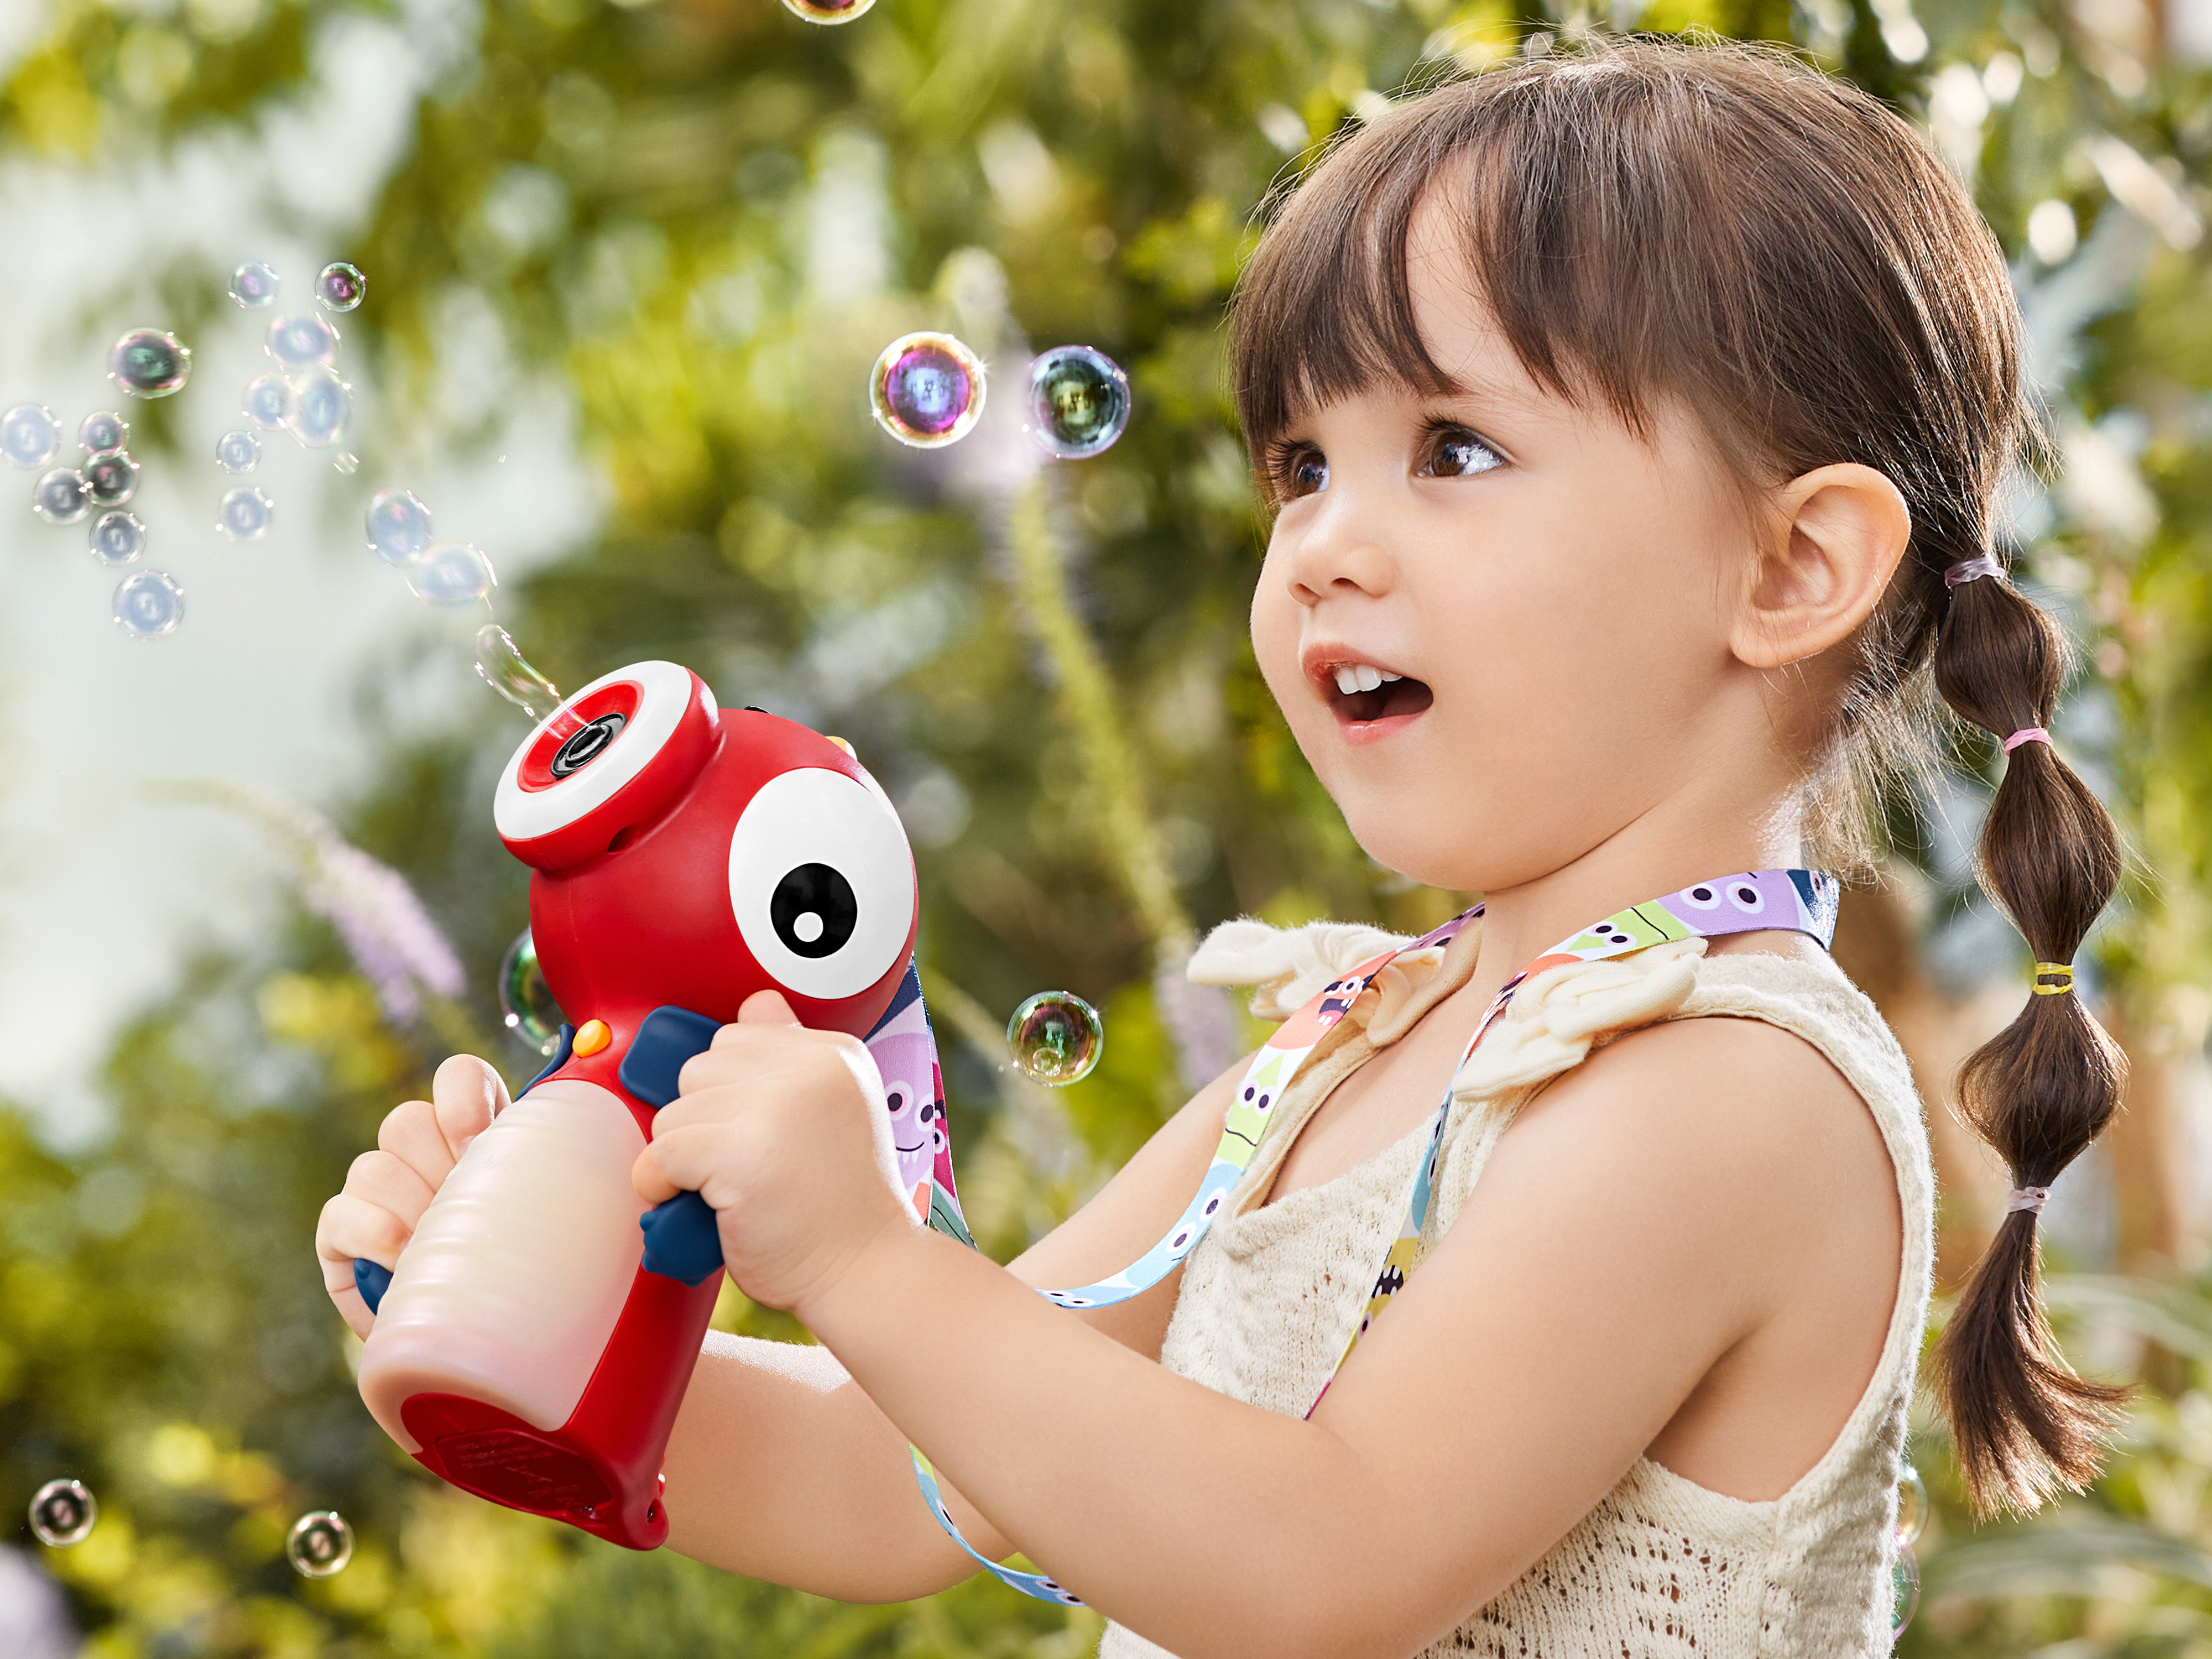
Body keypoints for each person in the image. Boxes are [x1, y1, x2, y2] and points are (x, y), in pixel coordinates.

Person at [316, 37, 2128, 1657]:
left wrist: (871, 1260)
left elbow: (1319, 1568)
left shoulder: (1729, 1090)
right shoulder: (1334, 1049)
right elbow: (899, 1478)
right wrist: (531, 1357)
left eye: (1455, 449)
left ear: (1792, 569)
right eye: (1301, 467)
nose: (1328, 543)